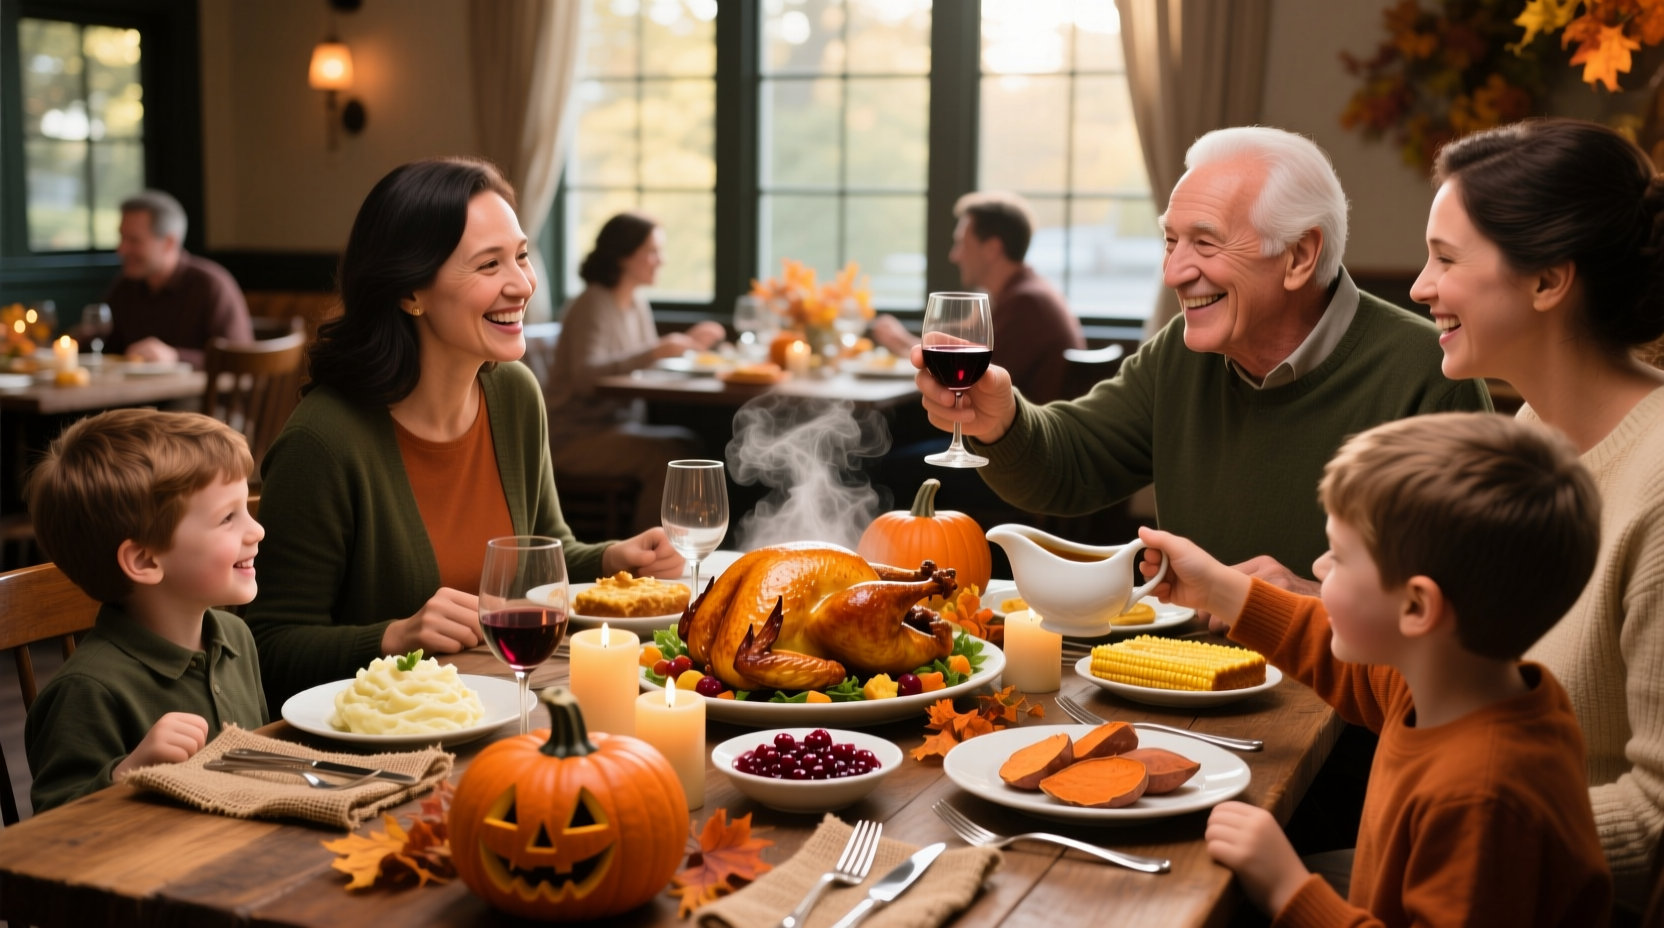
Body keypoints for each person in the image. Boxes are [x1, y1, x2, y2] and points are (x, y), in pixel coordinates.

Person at [911, 126, 1491, 580]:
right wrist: (1002, 420)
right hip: (1192, 692)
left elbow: (1469, 601)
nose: (1174, 271)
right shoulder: (1183, 357)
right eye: (1170, 241)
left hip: (1345, 718)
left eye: (1205, 243)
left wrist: (1313, 601)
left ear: (1298, 257)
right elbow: (1069, 466)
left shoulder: (1427, 376)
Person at [247, 159, 683, 710]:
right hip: (384, 749)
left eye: (521, 256)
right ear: (411, 293)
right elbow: (267, 647)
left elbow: (545, 554)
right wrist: (393, 638)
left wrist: (613, 560)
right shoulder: (324, 442)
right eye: (488, 265)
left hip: (498, 703)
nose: (521, 284)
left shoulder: (514, 394)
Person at [1141, 413, 1609, 925]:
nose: (1318, 569)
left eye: (1339, 558)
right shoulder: (1454, 684)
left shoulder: (1482, 798)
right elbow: (1343, 662)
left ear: (1415, 608)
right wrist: (1218, 590)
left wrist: (1288, 888)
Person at [1412, 119, 1664, 908]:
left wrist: (1447, 823)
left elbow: (1656, 823)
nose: (1419, 286)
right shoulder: (1532, 435)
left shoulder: (1657, 487)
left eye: (1446, 259)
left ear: (1549, 281)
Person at [24, 409, 267, 813]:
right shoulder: (86, 690)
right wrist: (128, 773)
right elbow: (54, 833)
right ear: (145, 561)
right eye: (228, 517)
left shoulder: (235, 637)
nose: (256, 529)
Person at [542, 212, 724, 533]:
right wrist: (656, 351)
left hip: (619, 426)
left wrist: (690, 346)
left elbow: (644, 364)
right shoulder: (591, 304)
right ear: (624, 255)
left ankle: (685, 545)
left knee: (692, 447)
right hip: (576, 437)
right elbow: (586, 377)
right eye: (653, 252)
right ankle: (652, 556)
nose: (661, 260)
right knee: (672, 454)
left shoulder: (637, 302)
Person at [872, 191, 1085, 404]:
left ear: (992, 249)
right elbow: (963, 352)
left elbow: (975, 382)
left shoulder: (1027, 304)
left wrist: (904, 344)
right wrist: (904, 342)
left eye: (962, 244)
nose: (954, 256)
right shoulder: (1026, 294)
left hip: (1021, 435)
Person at [103, 190, 252, 370]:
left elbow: (242, 359)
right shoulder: (125, 286)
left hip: (201, 398)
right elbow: (106, 344)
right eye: (121, 237)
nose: (121, 249)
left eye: (134, 240)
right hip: (137, 396)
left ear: (169, 243)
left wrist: (176, 357)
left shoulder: (210, 285)